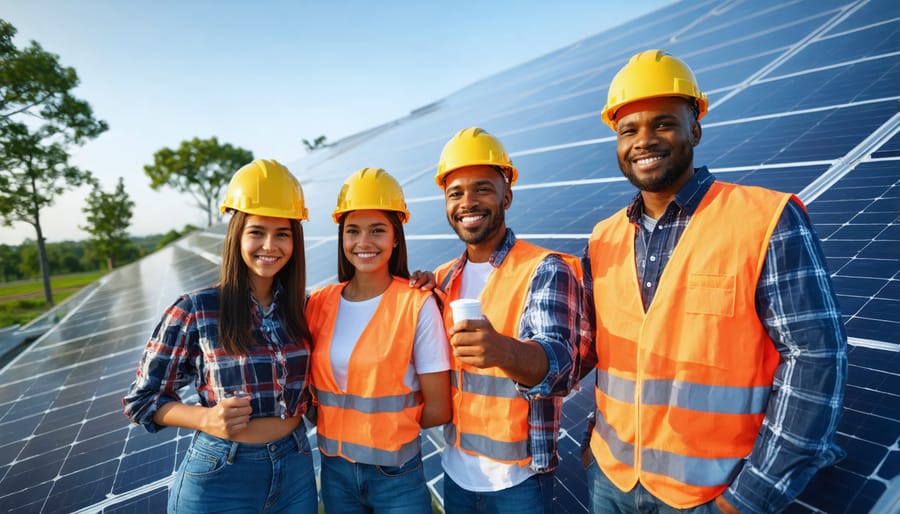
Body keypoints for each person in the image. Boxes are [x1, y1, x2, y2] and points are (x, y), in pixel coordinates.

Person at [579, 49, 847, 514]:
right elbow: (611, 353)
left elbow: (816, 359)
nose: (644, 140)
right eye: (628, 130)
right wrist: (593, 443)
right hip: (610, 479)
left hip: (710, 495)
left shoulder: (766, 219)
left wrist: (748, 498)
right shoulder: (603, 238)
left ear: (695, 129)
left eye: (663, 123)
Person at [122, 159, 318, 513]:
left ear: (295, 240)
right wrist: (204, 418)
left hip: (297, 467)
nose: (269, 245)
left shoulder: (306, 308)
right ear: (237, 235)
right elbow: (141, 401)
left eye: (283, 234)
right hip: (222, 474)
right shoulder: (196, 309)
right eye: (257, 232)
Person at [430, 127, 586, 514]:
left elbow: (561, 367)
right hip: (456, 474)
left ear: (507, 196)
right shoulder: (441, 278)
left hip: (519, 483)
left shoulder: (543, 268)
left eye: (482, 188)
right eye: (456, 193)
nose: (468, 202)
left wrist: (502, 350)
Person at [306, 167, 452, 514]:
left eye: (377, 231)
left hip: (395, 476)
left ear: (396, 237)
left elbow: (439, 408)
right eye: (353, 231)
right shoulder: (318, 303)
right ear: (342, 237)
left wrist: (383, 431)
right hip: (334, 470)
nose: (364, 242)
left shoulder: (417, 304)